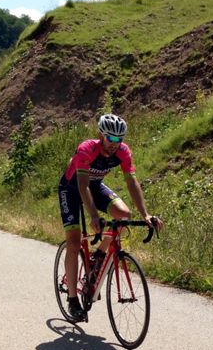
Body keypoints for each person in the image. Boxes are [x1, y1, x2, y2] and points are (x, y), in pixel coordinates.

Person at [58, 113, 163, 321]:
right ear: (101, 135)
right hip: (71, 189)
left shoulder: (123, 151)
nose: (115, 143)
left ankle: (99, 255)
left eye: (119, 139)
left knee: (124, 215)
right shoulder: (87, 149)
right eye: (111, 138)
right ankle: (72, 299)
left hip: (95, 186)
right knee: (74, 242)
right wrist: (94, 216)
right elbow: (82, 186)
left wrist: (146, 214)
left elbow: (131, 182)